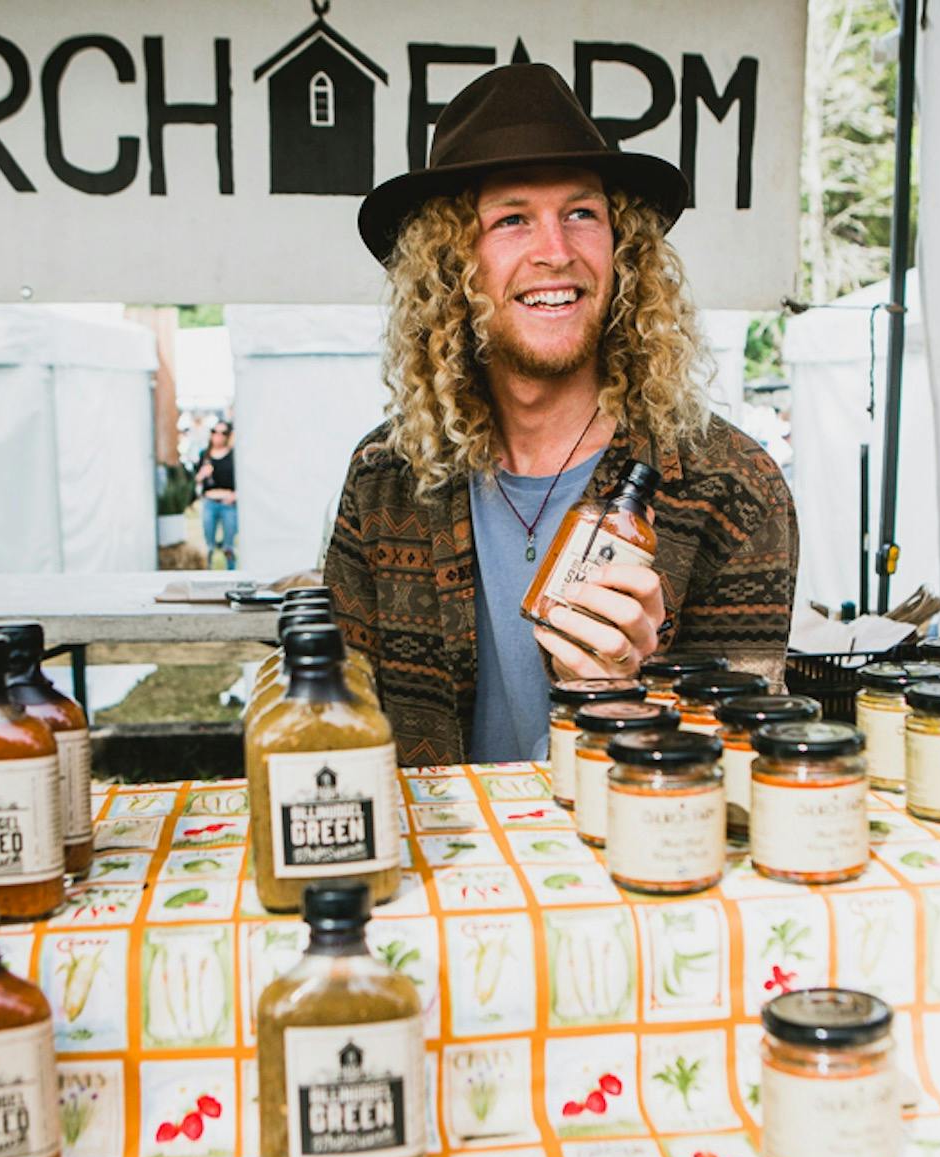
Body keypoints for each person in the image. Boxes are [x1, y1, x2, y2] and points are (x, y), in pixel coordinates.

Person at [325, 63, 797, 766]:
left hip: (629, 863)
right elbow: (335, 718)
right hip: (436, 867)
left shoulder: (728, 487)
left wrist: (618, 697)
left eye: (582, 213)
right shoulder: (384, 480)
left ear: (623, 250)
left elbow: (747, 767)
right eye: (511, 219)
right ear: (452, 268)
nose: (555, 252)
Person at [195, 420, 238, 569]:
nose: (218, 436)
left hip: (228, 504)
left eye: (222, 433)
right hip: (210, 502)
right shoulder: (205, 455)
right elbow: (196, 481)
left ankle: (232, 572)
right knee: (209, 544)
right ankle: (209, 570)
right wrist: (202, 475)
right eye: (215, 432)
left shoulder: (234, 455)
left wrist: (235, 495)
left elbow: (241, 481)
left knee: (229, 545)